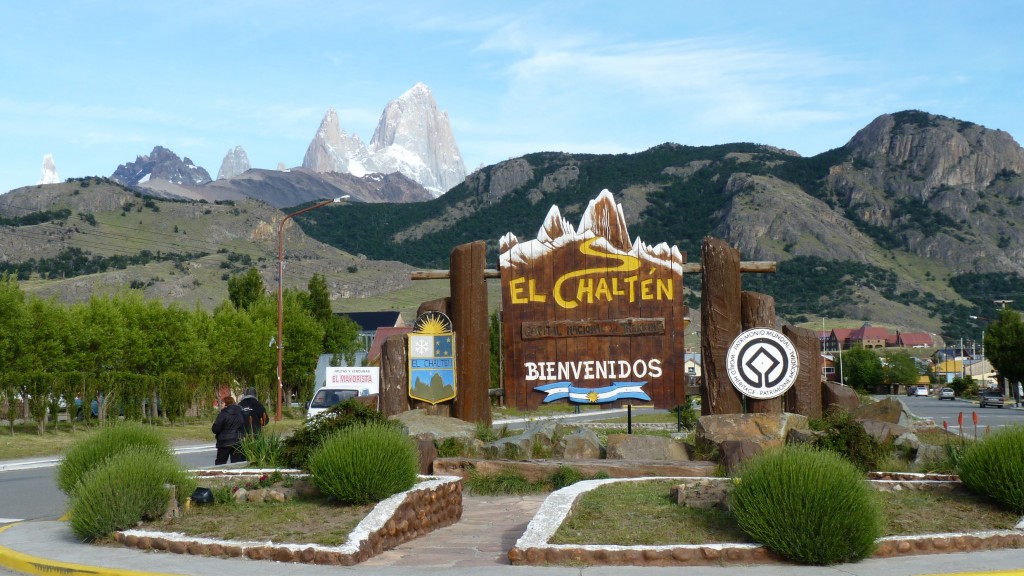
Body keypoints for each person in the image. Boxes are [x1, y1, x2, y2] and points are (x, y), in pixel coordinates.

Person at [211, 395, 245, 465]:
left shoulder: (223, 414)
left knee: (221, 462)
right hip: (237, 440)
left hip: (224, 441)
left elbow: (215, 429)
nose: (221, 405)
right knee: (237, 463)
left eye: (222, 403)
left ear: (226, 403)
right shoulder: (240, 413)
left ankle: (220, 475)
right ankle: (236, 474)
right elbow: (243, 425)